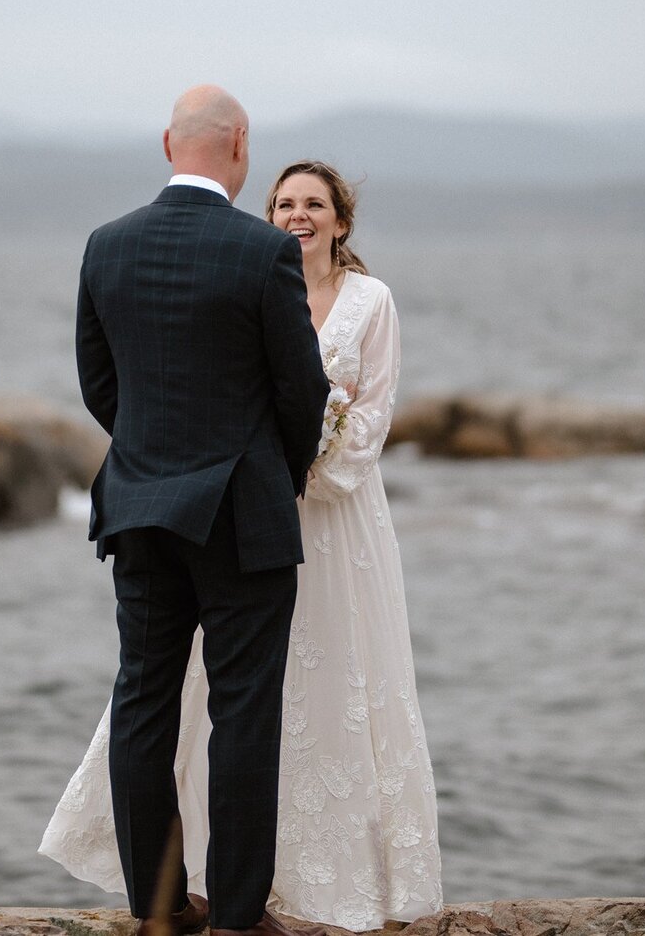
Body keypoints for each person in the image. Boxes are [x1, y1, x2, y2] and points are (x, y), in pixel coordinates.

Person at [43, 160, 443, 930]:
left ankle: (232, 896)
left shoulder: (369, 300)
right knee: (223, 705)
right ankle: (220, 904)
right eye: (285, 203)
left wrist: (300, 472)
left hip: (325, 519)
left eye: (314, 204)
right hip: (245, 513)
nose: (298, 215)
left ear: (341, 220)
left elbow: (367, 415)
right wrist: (273, 468)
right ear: (267, 210)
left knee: (308, 696)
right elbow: (274, 395)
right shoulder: (251, 268)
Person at [60, 85, 329, 936]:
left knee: (143, 700)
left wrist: (147, 459)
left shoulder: (107, 246)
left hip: (138, 508)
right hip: (239, 515)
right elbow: (301, 390)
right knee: (243, 709)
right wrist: (271, 473)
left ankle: (160, 907)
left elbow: (101, 386)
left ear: (166, 144)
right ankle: (240, 917)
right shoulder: (262, 253)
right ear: (240, 144)